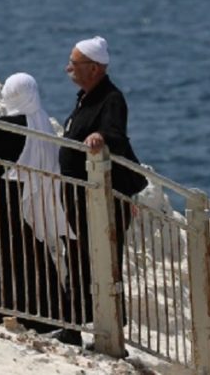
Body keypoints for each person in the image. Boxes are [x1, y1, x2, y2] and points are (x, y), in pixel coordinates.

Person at [0, 73, 74, 331]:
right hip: (27, 200)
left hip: (0, 202)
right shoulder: (39, 121)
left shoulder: (11, 127)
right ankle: (49, 314)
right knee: (30, 257)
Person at [54, 36, 148, 347]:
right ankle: (72, 327)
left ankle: (111, 334)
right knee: (79, 260)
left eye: (74, 63)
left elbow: (115, 134)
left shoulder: (111, 99)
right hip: (80, 196)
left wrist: (100, 137)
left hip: (100, 198)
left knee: (105, 263)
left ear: (94, 68)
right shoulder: (86, 96)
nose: (68, 68)